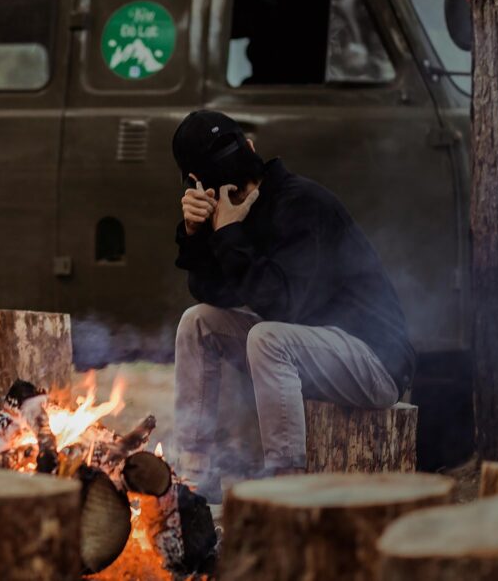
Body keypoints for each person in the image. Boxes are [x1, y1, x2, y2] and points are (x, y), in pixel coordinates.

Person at [170, 109, 414, 502]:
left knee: (267, 338)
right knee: (197, 323)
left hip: (374, 360)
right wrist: (197, 235)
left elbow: (284, 305)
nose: (245, 196)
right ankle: (194, 477)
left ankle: (286, 488)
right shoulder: (232, 211)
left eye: (247, 189)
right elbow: (213, 293)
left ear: (253, 150)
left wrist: (229, 232)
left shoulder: (302, 203)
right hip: (309, 354)